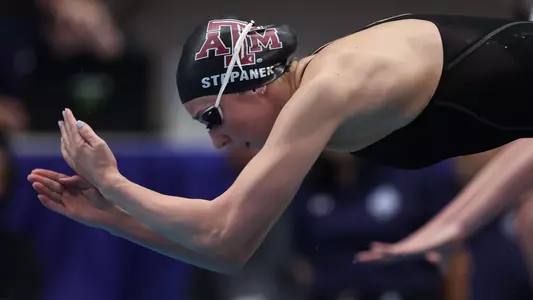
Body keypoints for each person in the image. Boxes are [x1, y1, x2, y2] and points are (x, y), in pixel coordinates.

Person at [28, 13, 533, 273]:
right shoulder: (316, 95)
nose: (219, 140)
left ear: (253, 84)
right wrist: (112, 219)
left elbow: (222, 235)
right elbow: (230, 252)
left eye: (213, 118)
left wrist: (114, 185)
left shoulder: (331, 87)